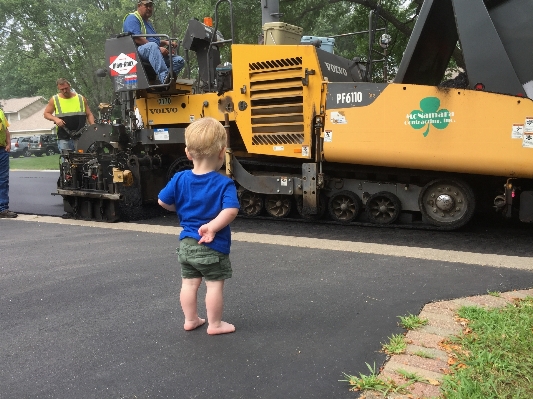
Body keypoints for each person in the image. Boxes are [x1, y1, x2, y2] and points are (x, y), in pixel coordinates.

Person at [158, 117, 240, 335]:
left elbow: (162, 201)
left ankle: (191, 319)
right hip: (213, 247)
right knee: (213, 285)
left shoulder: (179, 178)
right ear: (222, 153)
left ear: (187, 153)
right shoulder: (224, 183)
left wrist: (181, 210)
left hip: (186, 244)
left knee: (189, 284)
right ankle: (215, 324)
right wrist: (212, 227)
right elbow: (231, 210)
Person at [123, 0, 185, 84]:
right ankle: (164, 78)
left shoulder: (148, 23)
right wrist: (158, 49)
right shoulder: (132, 18)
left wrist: (166, 43)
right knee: (152, 46)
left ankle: (167, 80)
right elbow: (137, 38)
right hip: (137, 52)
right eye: (146, 5)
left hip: (152, 51)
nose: (149, 8)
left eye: (151, 5)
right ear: (139, 6)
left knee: (179, 60)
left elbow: (155, 41)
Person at [43, 78, 95, 153]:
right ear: (58, 89)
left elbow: (89, 114)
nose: (64, 91)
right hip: (64, 137)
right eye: (62, 89)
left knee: (84, 159)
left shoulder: (80, 98)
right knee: (67, 161)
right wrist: (56, 119)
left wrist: (93, 125)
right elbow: (46, 114)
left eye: (66, 88)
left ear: (69, 86)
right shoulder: (55, 99)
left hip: (81, 136)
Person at [0, 107, 17, 218]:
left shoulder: (0, 112)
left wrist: (8, 143)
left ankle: (3, 209)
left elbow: (6, 129)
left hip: (2, 150)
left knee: (3, 180)